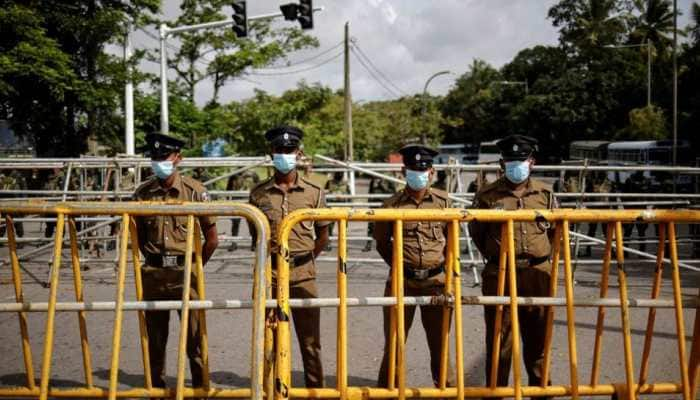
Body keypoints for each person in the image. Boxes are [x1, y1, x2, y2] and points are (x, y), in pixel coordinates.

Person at [469, 134, 556, 400]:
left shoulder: (545, 193)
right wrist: (499, 257)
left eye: (521, 160)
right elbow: (477, 232)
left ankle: (540, 392)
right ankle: (496, 392)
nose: (515, 165)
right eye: (510, 160)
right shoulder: (486, 195)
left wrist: (539, 257)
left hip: (538, 273)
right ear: (502, 163)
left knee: (538, 340)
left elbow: (554, 233)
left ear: (531, 162)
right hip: (500, 273)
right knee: (499, 341)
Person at [133, 132, 219, 396]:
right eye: (154, 157)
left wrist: (195, 267)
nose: (159, 161)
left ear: (178, 158)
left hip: (186, 271)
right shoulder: (142, 194)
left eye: (164, 156)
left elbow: (212, 238)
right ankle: (156, 388)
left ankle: (200, 388)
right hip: (153, 271)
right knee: (154, 338)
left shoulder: (195, 192)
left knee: (195, 336)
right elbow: (139, 237)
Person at [248, 125, 330, 388]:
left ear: (299, 152)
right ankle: (270, 389)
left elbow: (323, 236)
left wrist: (302, 260)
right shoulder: (258, 194)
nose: (284, 154)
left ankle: (315, 391)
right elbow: (256, 237)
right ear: (271, 153)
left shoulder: (314, 193)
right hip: (269, 275)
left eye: (289, 150)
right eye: (279, 150)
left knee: (310, 341)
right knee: (268, 338)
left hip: (303, 274)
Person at [373, 144, 454, 388]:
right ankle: (388, 391)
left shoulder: (444, 202)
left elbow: (451, 242)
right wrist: (401, 266)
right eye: (412, 169)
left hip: (437, 282)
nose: (418, 173)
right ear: (403, 171)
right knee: (395, 343)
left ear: (432, 171)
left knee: (441, 343)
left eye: (423, 168)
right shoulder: (391, 205)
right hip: (401, 281)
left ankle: (446, 391)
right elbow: (381, 242)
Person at [226, 170, 260, 251]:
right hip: (237, 201)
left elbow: (258, 185)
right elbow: (228, 188)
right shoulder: (233, 176)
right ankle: (234, 243)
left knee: (252, 224)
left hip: (249, 200)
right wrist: (229, 200)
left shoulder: (253, 174)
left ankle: (254, 243)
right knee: (235, 224)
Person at [365, 175, 396, 252]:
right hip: (374, 204)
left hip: (384, 204)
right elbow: (370, 191)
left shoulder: (389, 180)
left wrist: (382, 186)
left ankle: (387, 245)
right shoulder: (373, 180)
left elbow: (393, 192)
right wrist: (370, 202)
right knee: (371, 225)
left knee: (386, 225)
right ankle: (368, 244)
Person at [324, 171, 348, 249]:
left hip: (342, 209)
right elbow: (324, 193)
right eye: (338, 173)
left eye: (341, 173)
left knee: (343, 229)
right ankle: (328, 244)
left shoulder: (346, 184)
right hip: (332, 208)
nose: (339, 174)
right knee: (329, 228)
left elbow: (350, 196)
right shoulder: (329, 182)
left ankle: (343, 246)